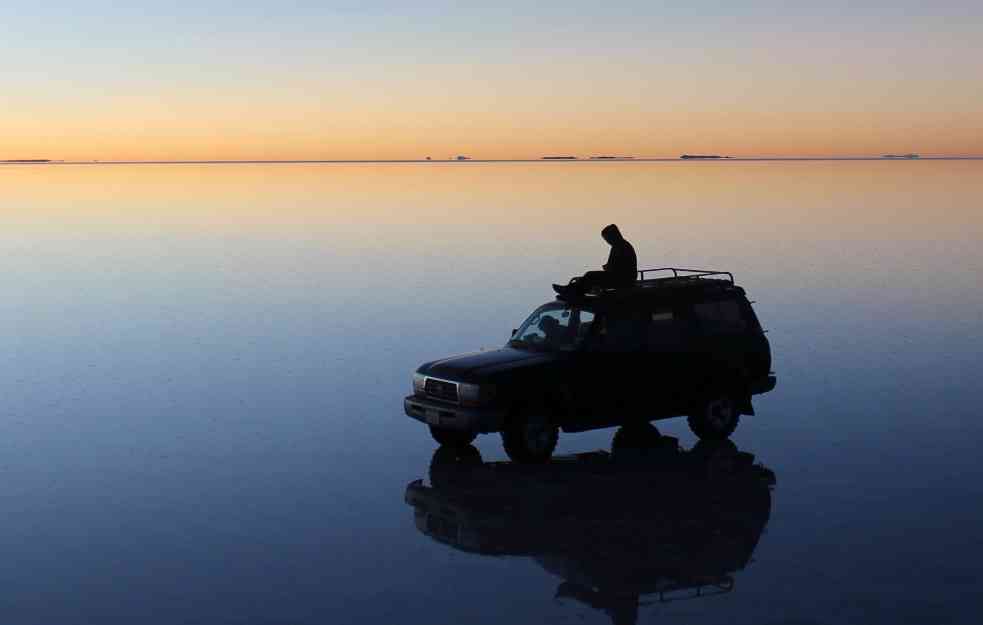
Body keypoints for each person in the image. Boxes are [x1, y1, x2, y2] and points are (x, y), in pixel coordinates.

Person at [553, 224, 637, 298]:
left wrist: (608, 267)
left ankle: (572, 291)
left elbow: (617, 268)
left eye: (607, 239)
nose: (607, 241)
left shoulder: (621, 247)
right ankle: (571, 289)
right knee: (589, 276)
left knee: (590, 275)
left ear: (613, 236)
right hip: (622, 277)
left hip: (622, 279)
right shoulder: (621, 245)